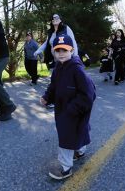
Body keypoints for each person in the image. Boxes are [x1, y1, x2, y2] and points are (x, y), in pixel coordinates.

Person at [40, 34, 96, 180]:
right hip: (63, 108)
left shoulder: (78, 70)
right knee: (79, 130)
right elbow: (53, 86)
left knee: (66, 136)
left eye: (64, 50)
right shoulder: (58, 67)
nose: (61, 54)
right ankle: (81, 151)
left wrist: (72, 110)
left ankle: (65, 168)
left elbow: (88, 95)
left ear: (71, 50)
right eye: (58, 51)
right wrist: (47, 97)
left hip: (74, 109)